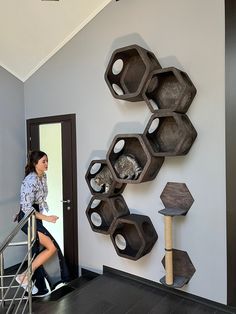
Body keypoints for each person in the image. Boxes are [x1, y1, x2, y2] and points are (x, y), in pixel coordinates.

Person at [16, 150, 70, 297]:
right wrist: (47, 218)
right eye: (43, 161)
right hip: (29, 218)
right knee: (51, 247)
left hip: (35, 215)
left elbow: (33, 201)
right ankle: (23, 276)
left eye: (47, 160)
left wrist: (41, 216)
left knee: (35, 251)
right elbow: (27, 208)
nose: (46, 164)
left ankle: (40, 289)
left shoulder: (42, 176)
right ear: (35, 164)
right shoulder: (30, 180)